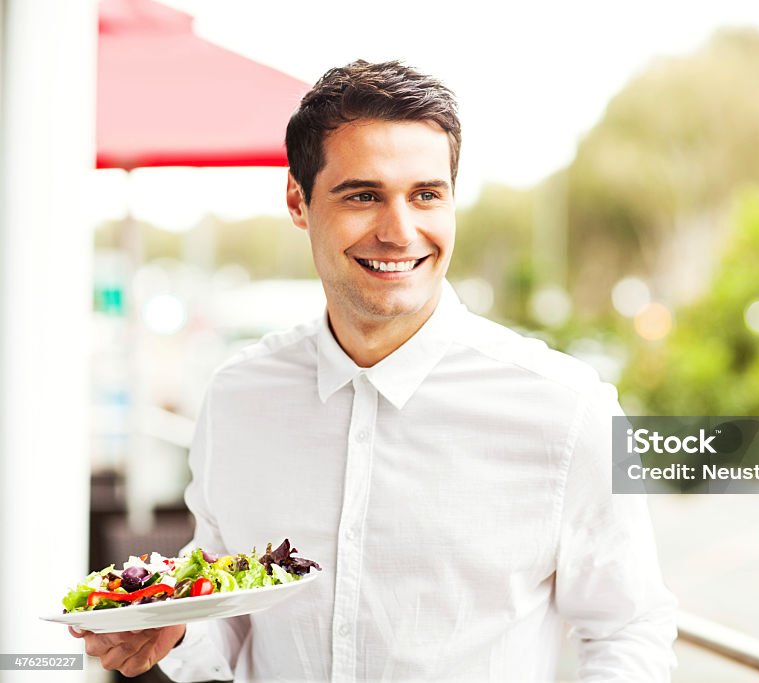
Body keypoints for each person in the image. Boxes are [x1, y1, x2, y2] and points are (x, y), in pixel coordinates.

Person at [70, 59, 678, 681]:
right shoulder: (237, 398)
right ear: (297, 201)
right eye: (363, 195)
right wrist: (175, 629)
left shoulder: (567, 408)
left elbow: (628, 628)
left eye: (426, 195)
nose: (399, 231)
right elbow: (230, 614)